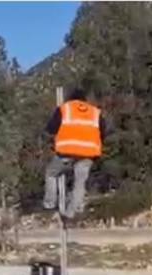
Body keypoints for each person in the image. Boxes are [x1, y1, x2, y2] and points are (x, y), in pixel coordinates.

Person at [44, 88, 106, 220]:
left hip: (66, 152)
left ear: (70, 99)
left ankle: (50, 203)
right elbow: (103, 132)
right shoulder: (95, 112)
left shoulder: (65, 109)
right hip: (88, 154)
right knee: (80, 183)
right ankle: (71, 212)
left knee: (51, 174)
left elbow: (50, 129)